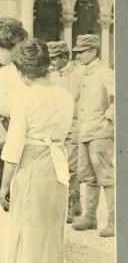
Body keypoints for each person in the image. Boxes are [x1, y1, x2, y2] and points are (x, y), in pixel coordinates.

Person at [0, 40, 74, 263]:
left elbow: (14, 147)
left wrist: (4, 186)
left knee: (26, 228)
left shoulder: (25, 99)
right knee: (51, 229)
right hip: (57, 164)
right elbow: (65, 132)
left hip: (32, 163)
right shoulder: (64, 95)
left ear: (23, 71)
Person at [0, 18, 28, 224]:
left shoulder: (28, 74)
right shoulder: (0, 74)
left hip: (24, 135)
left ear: (13, 49)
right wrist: (4, 136)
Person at [71, 34, 115, 237]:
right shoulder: (85, 73)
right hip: (85, 131)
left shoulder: (105, 73)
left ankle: (115, 220)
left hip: (99, 132)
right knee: (87, 176)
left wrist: (109, 117)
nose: (78, 56)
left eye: (81, 52)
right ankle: (90, 217)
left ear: (93, 52)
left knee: (106, 176)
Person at [48, 41, 83, 223]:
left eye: (55, 58)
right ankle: (66, 204)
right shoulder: (52, 74)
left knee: (71, 166)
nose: (51, 62)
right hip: (57, 124)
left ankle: (73, 204)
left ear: (64, 57)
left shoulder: (79, 73)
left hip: (75, 123)